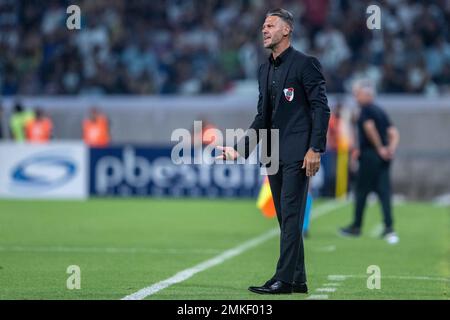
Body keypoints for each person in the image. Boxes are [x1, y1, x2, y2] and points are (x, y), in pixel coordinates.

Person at [217, 8, 330, 294]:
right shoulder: (264, 68)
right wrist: (238, 150)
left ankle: (282, 280)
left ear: (286, 30)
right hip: (272, 153)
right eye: (263, 26)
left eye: (270, 25)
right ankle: (298, 279)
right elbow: (262, 117)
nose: (264, 30)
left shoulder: (306, 64)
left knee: (292, 216)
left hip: (298, 153)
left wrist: (315, 147)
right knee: (285, 219)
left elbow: (321, 108)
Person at [340, 79, 400, 243]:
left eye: (357, 93)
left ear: (366, 94)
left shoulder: (365, 110)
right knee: (384, 192)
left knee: (361, 191)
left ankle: (356, 226)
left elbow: (369, 128)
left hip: (370, 155)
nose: (355, 97)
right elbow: (394, 133)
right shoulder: (380, 111)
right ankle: (389, 227)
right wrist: (390, 149)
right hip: (383, 156)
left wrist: (379, 147)